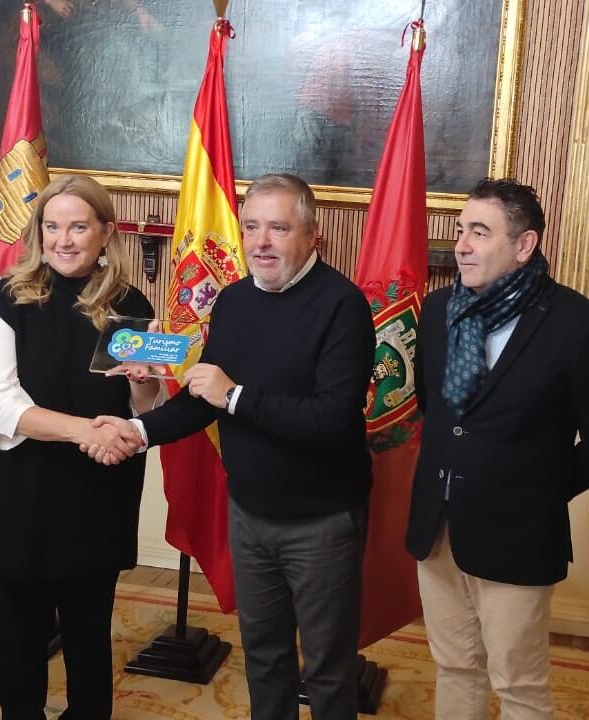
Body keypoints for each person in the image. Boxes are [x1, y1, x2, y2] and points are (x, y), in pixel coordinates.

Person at [89, 173, 375, 720]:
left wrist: (236, 396)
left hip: (322, 521)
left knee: (327, 669)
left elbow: (331, 419)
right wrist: (138, 431)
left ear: (312, 235)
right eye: (251, 227)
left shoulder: (343, 305)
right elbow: (204, 398)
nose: (261, 242)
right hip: (249, 514)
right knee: (264, 658)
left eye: (278, 228)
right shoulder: (236, 301)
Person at [404, 178, 589, 719]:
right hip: (437, 528)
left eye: (480, 232)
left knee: (518, 684)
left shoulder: (583, 328)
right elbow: (436, 412)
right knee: (455, 666)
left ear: (524, 246)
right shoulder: (437, 311)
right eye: (460, 231)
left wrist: (536, 490)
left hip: (517, 536)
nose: (462, 246)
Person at [0, 174, 160, 719]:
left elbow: (143, 409)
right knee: (20, 628)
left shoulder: (129, 302)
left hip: (97, 490)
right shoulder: (5, 300)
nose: (65, 240)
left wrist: (145, 380)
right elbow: (1, 406)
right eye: (52, 227)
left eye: (78, 226)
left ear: (106, 233)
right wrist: (84, 431)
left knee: (89, 631)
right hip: (20, 491)